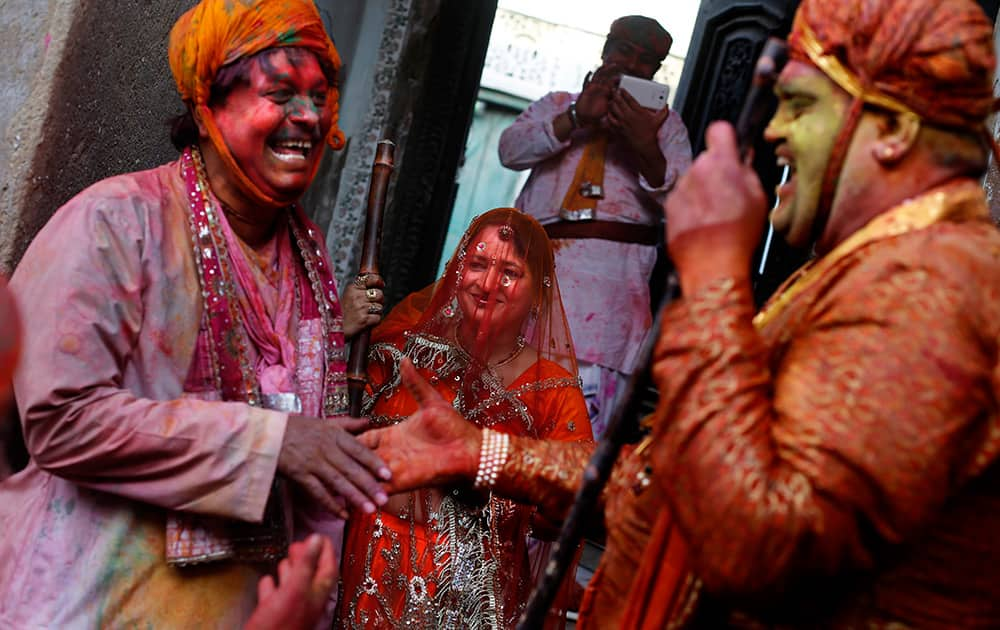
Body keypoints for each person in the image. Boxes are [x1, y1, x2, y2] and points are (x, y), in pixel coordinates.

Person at [363, 0, 1000, 626]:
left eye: (801, 105)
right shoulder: (869, 266)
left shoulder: (931, 284)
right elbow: (664, 481)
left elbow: (757, 542)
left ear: (894, 133)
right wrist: (482, 452)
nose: (774, 132)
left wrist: (716, 273)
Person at [0, 1, 393, 626]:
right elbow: (59, 419)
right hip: (90, 599)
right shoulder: (116, 221)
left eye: (320, 96)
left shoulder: (309, 254)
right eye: (281, 93)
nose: (309, 118)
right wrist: (270, 444)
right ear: (206, 106)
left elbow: (311, 439)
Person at [336, 208, 594, 628]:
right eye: (477, 264)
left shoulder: (553, 391)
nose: (488, 284)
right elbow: (329, 422)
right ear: (457, 271)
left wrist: (489, 477)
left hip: (469, 593)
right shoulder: (401, 346)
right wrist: (338, 330)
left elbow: (570, 501)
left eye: (509, 272)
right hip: (366, 563)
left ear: (540, 294)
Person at [498, 15, 692, 438]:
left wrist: (644, 144)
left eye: (646, 61)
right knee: (499, 430)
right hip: (527, 295)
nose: (631, 64)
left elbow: (686, 207)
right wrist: (575, 117)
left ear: (657, 73)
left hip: (605, 320)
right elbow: (510, 151)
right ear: (605, 50)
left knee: (569, 443)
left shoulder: (666, 127)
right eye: (624, 50)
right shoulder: (557, 103)